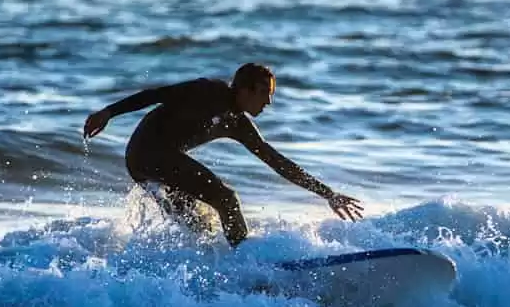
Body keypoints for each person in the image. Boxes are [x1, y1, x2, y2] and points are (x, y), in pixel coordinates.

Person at [82, 63, 363, 247]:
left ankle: (208, 276)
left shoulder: (239, 124)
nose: (269, 101)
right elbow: (156, 94)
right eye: (265, 93)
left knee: (201, 226)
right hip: (147, 153)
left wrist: (327, 193)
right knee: (226, 198)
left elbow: (277, 162)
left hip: (151, 163)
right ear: (244, 89)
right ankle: (247, 261)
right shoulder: (207, 91)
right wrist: (109, 112)